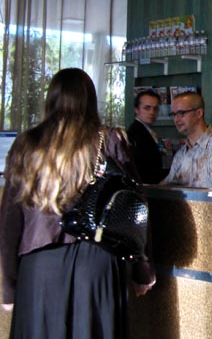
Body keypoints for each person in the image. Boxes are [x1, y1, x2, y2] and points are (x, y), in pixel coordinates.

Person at [0, 68, 155, 338]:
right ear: (90, 101)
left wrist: (8, 286)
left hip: (39, 267)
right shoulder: (110, 140)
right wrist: (143, 269)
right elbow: (136, 208)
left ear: (51, 99)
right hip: (99, 262)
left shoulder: (27, 144)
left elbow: (10, 222)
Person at [127, 89, 168, 183]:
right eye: (147, 108)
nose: (152, 112)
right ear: (136, 110)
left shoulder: (146, 131)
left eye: (155, 108)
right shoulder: (136, 133)